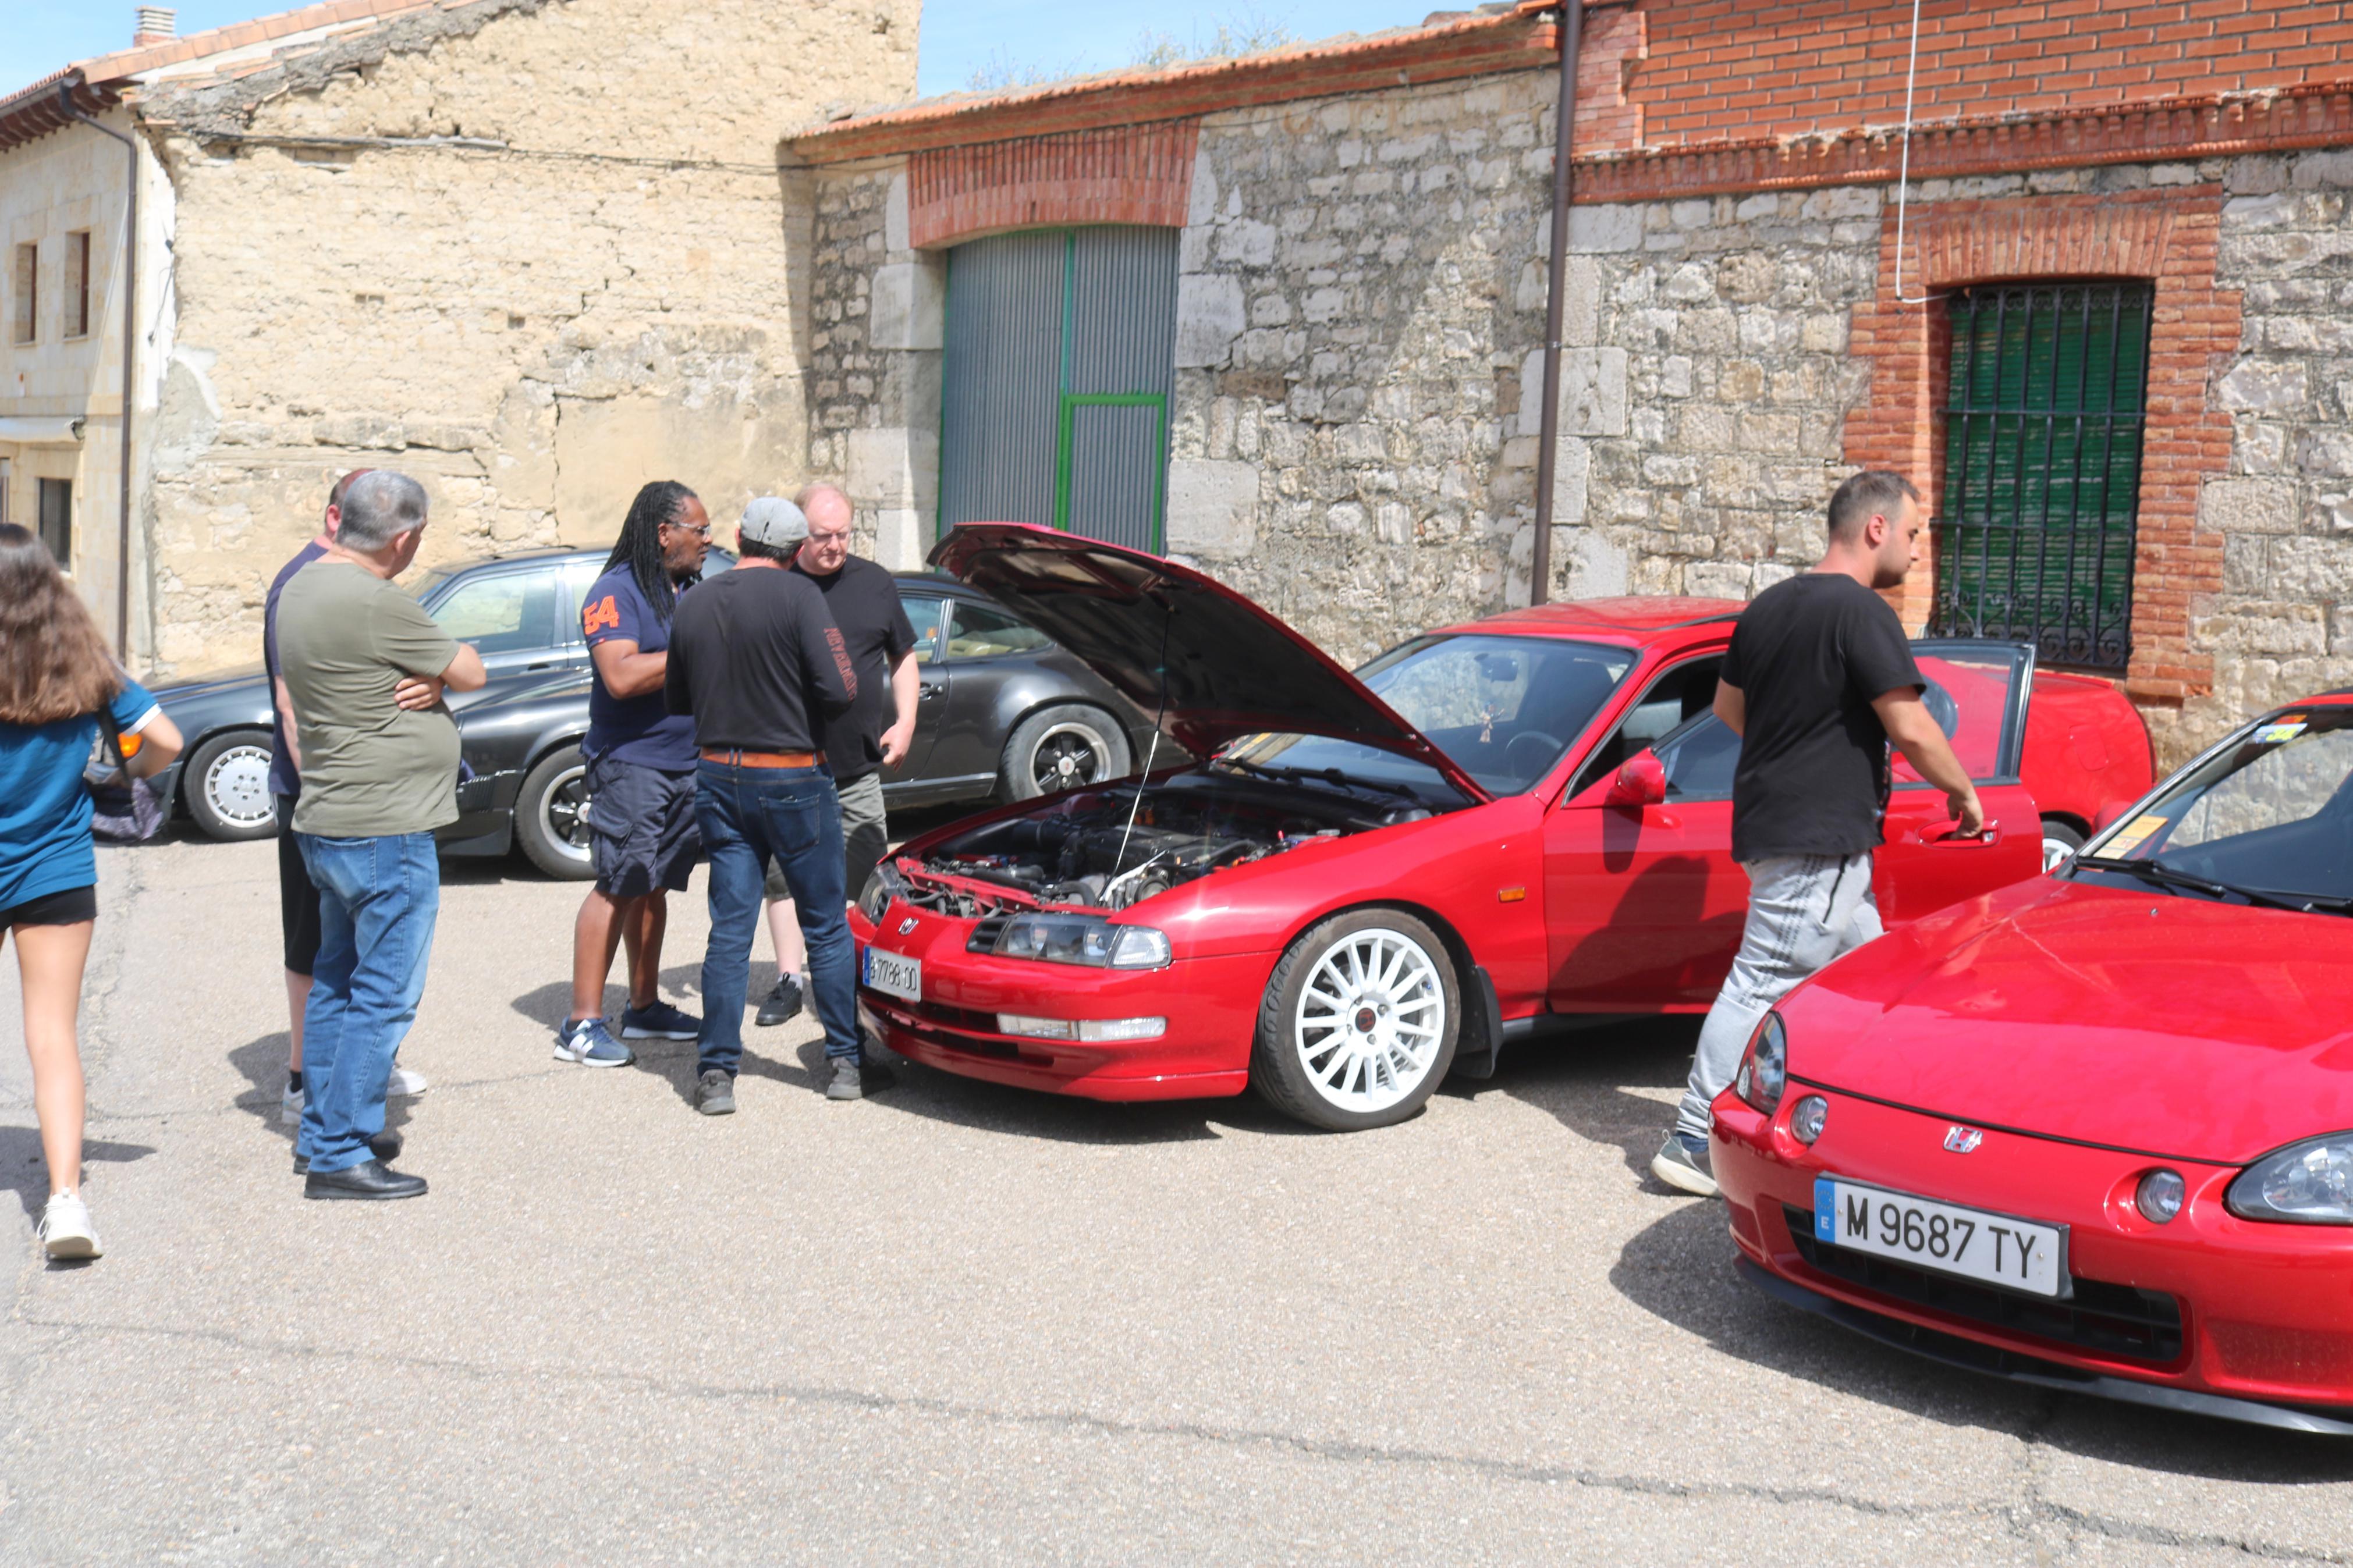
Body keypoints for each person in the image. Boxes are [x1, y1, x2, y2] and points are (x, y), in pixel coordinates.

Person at [1652, 470, 1983, 1199]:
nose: (1917, 551)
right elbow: (1909, 723)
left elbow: (1729, 710)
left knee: (1878, 976)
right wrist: (1961, 790)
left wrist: (1800, 742)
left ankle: (1891, 1128)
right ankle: (1692, 1134)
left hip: (1779, 829)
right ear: (1875, 528)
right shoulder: (1860, 613)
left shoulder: (1767, 609)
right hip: (1817, 842)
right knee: (1762, 980)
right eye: (1914, 533)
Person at [277, 471, 487, 1200]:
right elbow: (471, 669)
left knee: (337, 979)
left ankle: (322, 1132)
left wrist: (424, 684)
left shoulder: (302, 584)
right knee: (384, 993)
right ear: (403, 538)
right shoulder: (375, 600)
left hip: (332, 817)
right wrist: (436, 677)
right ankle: (339, 1149)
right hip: (385, 827)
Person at [0, 523, 184, 1258]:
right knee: (53, 1037)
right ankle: (67, 1202)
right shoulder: (85, 664)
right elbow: (165, 741)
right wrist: (121, 771)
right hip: (55, 866)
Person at [665, 496, 880, 1113]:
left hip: (718, 775)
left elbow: (677, 698)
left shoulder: (697, 599)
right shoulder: (801, 597)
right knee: (825, 925)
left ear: (738, 538)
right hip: (791, 776)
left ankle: (716, 1073)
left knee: (729, 931)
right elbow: (842, 687)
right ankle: (843, 1060)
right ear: (794, 552)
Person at [268, 471, 435, 1128]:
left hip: (344, 803)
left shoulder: (336, 582)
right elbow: (290, 702)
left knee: (344, 961)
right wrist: (328, 795)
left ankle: (329, 1106)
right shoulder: (312, 582)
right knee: (343, 964)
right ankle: (321, 1105)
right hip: (343, 804)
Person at [555, 481, 711, 1068]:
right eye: (698, 529)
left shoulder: (684, 588)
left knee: (653, 883)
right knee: (618, 881)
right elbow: (619, 675)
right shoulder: (614, 592)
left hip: (683, 763)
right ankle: (580, 1023)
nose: (707, 538)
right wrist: (699, 648)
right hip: (631, 763)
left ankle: (643, 1005)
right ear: (663, 532)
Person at [754, 484, 918, 1029]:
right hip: (787, 764)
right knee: (781, 876)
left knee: (868, 872)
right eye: (823, 535)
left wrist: (906, 721)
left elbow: (904, 658)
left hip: (856, 767)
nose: (834, 545)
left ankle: (857, 972)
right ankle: (787, 979)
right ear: (800, 533)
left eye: (843, 534)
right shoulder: (777, 583)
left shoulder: (874, 583)